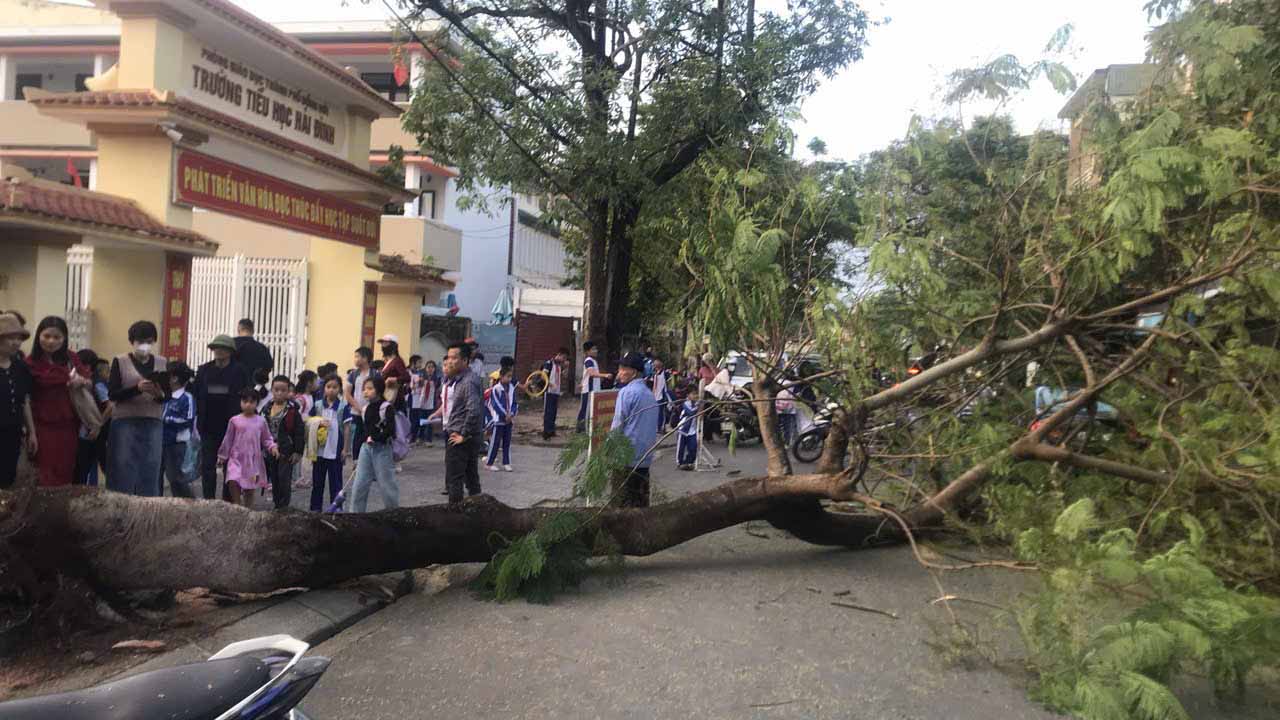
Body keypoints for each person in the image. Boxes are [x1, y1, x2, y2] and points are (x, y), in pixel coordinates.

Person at [27, 316, 91, 487]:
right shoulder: (29, 363)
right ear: (38, 336)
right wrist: (31, 432)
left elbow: (89, 382)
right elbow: (25, 399)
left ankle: (59, 513)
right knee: (43, 476)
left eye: (57, 337)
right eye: (46, 336)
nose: (51, 341)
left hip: (69, 427)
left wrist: (81, 382)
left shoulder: (71, 358)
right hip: (42, 427)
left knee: (65, 473)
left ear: (64, 339)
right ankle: (43, 513)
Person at [106, 321, 168, 496]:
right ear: (132, 341)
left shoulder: (162, 362)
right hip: (125, 421)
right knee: (123, 466)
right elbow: (113, 394)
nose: (144, 346)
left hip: (153, 420)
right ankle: (120, 508)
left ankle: (148, 512)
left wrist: (158, 393)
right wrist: (136, 389)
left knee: (151, 466)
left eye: (148, 341)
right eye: (140, 341)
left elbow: (166, 396)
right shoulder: (121, 361)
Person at [194, 334, 251, 500]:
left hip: (231, 426)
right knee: (207, 466)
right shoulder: (204, 370)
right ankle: (208, 500)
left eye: (223, 348)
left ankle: (228, 501)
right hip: (207, 425)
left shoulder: (240, 371)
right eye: (216, 347)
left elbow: (246, 395)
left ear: (230, 351)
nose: (218, 351)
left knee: (231, 466)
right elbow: (196, 393)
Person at [610, 352, 659, 507]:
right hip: (644, 460)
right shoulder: (650, 395)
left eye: (623, 368)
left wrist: (607, 451)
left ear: (634, 372)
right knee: (640, 507)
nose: (619, 372)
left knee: (620, 508)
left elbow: (617, 426)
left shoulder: (626, 393)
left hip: (626, 460)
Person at [217, 388, 278, 509]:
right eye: (245, 401)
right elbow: (228, 439)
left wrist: (272, 447)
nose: (248, 404)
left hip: (252, 461)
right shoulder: (234, 420)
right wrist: (222, 456)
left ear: (257, 403)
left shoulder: (261, 421)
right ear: (240, 402)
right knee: (233, 480)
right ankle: (237, 506)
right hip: (236, 458)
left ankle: (248, 509)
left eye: (252, 401)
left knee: (249, 488)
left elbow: (266, 438)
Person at [442, 342, 485, 504]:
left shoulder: (468, 382)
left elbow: (473, 410)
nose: (450, 361)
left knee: (455, 480)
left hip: (461, 438)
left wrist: (463, 434)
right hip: (465, 436)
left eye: (454, 358)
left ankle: (455, 517)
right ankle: (478, 511)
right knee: (471, 477)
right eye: (449, 358)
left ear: (465, 360)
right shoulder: (460, 380)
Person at [349, 375, 399, 512]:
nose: (365, 392)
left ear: (379, 389)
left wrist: (377, 437)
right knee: (359, 484)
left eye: (370, 388)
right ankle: (355, 516)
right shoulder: (365, 409)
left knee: (387, 484)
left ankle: (394, 514)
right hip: (366, 449)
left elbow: (390, 430)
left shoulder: (386, 407)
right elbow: (363, 431)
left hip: (382, 449)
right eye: (364, 389)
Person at [0, 312, 35, 490]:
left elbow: (24, 401)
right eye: (10, 338)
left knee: (8, 482)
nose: (16, 343)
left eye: (19, 338)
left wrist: (32, 432)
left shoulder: (20, 367)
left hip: (13, 435)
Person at [263, 374, 305, 510]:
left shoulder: (292, 411)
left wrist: (298, 451)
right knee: (274, 479)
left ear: (288, 392)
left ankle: (284, 507)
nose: (279, 393)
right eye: (276, 390)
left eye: (283, 390)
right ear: (272, 390)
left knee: (284, 479)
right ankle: (277, 505)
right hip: (270, 450)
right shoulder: (266, 409)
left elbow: (299, 432)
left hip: (286, 450)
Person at [309, 375, 347, 512]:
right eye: (328, 387)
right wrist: (318, 422)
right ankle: (315, 509)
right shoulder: (318, 405)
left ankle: (337, 508)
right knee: (317, 482)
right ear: (324, 388)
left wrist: (345, 449)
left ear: (340, 389)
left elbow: (346, 428)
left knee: (336, 482)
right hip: (319, 450)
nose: (331, 390)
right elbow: (308, 421)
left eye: (335, 387)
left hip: (335, 450)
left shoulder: (343, 406)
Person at [161, 361, 197, 498]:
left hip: (176, 444)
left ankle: (189, 503)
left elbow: (188, 420)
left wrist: (166, 419)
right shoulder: (164, 396)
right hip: (160, 441)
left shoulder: (186, 397)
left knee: (176, 478)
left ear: (175, 378)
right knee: (157, 476)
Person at [344, 346, 379, 462]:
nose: (355, 359)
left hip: (372, 411)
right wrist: (359, 408)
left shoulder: (375, 374)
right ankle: (356, 460)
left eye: (357, 356)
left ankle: (369, 461)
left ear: (365, 358)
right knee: (358, 435)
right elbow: (347, 394)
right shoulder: (354, 374)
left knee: (370, 435)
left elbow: (380, 392)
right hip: (357, 412)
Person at [485, 366, 517, 472]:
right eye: (507, 376)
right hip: (499, 419)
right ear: (501, 377)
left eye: (510, 376)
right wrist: (505, 414)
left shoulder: (511, 388)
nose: (509, 379)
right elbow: (496, 404)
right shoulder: (496, 389)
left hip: (509, 419)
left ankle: (506, 462)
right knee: (495, 442)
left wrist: (511, 414)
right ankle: (489, 463)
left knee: (507, 442)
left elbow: (514, 403)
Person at [575, 341, 612, 433]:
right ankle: (582, 429)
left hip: (592, 389)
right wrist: (604, 375)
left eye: (596, 349)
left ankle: (583, 429)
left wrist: (581, 382)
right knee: (586, 410)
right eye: (593, 349)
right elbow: (591, 373)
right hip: (589, 390)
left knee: (587, 410)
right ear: (587, 352)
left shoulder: (593, 361)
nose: (596, 351)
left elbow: (587, 374)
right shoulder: (589, 361)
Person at [377, 334, 411, 412]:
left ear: (393, 345)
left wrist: (393, 379)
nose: (383, 346)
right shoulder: (389, 361)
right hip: (387, 396)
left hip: (395, 398)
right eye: (382, 343)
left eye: (386, 343)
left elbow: (406, 377)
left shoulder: (397, 361)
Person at [540, 347, 569, 440]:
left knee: (554, 412)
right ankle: (546, 433)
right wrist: (550, 384)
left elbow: (561, 377)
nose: (564, 360)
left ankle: (551, 430)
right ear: (559, 355)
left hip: (556, 392)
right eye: (563, 357)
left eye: (565, 358)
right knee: (548, 412)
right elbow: (543, 376)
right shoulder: (549, 363)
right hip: (548, 391)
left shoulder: (559, 366)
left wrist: (566, 369)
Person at [648, 356, 677, 431]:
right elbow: (653, 384)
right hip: (656, 395)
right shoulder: (654, 374)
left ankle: (663, 426)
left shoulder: (665, 373)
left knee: (664, 411)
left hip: (664, 395)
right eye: (654, 363)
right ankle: (658, 427)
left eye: (656, 362)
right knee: (658, 412)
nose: (655, 364)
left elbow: (670, 382)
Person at [675, 390, 699, 470]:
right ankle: (680, 463)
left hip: (692, 430)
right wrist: (699, 407)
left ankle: (688, 462)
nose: (695, 395)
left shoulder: (696, 403)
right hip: (683, 429)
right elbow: (691, 413)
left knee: (693, 447)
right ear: (688, 395)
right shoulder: (685, 403)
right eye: (693, 393)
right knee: (681, 448)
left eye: (696, 394)